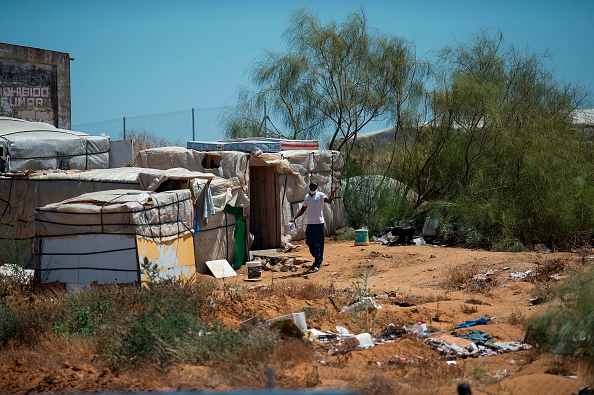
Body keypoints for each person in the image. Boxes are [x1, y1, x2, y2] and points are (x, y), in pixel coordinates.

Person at [290, 179, 339, 272]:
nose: (313, 187)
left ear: (317, 187)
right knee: (309, 241)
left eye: (315, 186)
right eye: (312, 186)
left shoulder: (320, 195)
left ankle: (317, 263)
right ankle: (317, 256)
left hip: (319, 224)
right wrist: (294, 217)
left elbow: (328, 201)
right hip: (310, 224)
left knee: (319, 244)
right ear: (309, 186)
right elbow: (302, 209)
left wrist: (332, 194)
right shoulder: (307, 197)